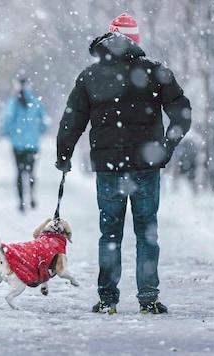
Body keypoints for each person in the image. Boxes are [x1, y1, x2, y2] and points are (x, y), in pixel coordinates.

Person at [55, 13, 192, 314]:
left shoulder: (90, 76)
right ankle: (149, 298)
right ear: (136, 41)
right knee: (146, 233)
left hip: (109, 170)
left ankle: (107, 300)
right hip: (146, 167)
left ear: (109, 40)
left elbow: (71, 121)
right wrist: (167, 147)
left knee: (110, 235)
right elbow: (181, 110)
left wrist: (63, 156)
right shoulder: (155, 71)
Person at [1, 78, 49, 213]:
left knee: (19, 172)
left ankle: (21, 201)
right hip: (33, 144)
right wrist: (39, 131)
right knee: (31, 171)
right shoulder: (35, 102)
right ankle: (32, 194)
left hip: (17, 143)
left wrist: (6, 133)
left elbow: (7, 119)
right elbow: (45, 122)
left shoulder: (13, 102)